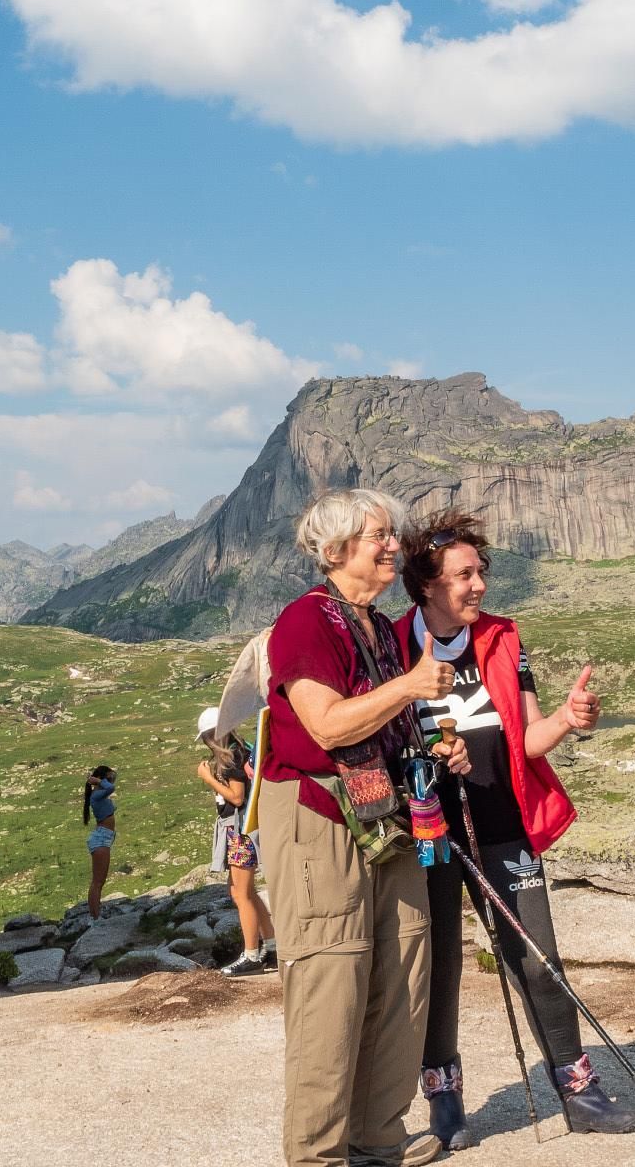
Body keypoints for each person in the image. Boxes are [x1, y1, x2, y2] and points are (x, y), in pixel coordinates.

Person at [397, 508, 635, 1147]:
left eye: (481, 573)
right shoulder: (393, 644)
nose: (478, 586)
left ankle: (580, 1091)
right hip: (426, 835)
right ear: (427, 584)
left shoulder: (506, 638)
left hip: (503, 827)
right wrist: (428, 760)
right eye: (463, 576)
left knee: (538, 959)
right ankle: (444, 1103)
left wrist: (566, 718)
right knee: (440, 964)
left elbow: (527, 739)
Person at [261, 487, 471, 1167]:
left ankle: (377, 1141)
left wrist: (436, 745)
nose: (392, 546)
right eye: (378, 535)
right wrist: (410, 687)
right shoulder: (304, 622)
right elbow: (325, 724)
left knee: (405, 975)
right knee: (333, 982)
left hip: (385, 814)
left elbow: (382, 719)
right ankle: (318, 1157)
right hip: (319, 817)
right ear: (334, 550)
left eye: (391, 534)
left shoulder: (377, 628)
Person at [194, 704, 278, 977]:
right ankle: (272, 946)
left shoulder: (230, 757)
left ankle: (252, 954)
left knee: (241, 893)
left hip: (240, 831)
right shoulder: (238, 750)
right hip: (238, 830)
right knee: (243, 891)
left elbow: (237, 797)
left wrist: (208, 779)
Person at [84, 764, 118, 919]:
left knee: (100, 881)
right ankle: (94, 917)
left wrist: (99, 779)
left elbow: (112, 783)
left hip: (105, 837)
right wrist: (97, 780)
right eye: (108, 777)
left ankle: (96, 913)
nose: (111, 779)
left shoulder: (101, 793)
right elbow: (111, 788)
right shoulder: (96, 795)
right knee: (97, 882)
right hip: (101, 839)